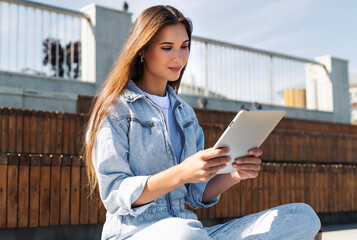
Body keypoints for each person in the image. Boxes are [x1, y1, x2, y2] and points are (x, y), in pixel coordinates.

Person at [84, 5, 321, 240]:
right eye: (167, 48)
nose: (179, 57)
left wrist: (235, 174)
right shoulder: (116, 110)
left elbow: (196, 195)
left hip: (190, 231)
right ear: (142, 50)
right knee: (184, 234)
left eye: (184, 47)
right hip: (133, 233)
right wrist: (181, 173)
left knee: (302, 216)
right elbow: (115, 193)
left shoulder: (185, 114)